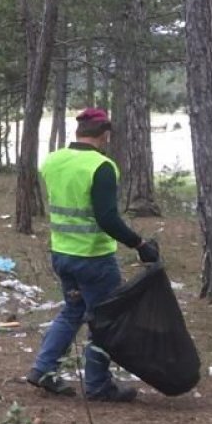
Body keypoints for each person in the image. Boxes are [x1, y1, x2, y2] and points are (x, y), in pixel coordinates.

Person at [25, 108, 158, 402]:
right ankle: (98, 385)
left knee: (73, 311)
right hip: (94, 259)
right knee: (104, 318)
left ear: (78, 132)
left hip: (62, 254)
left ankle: (43, 369)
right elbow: (107, 218)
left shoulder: (53, 161)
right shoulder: (101, 167)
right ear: (104, 135)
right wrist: (139, 244)